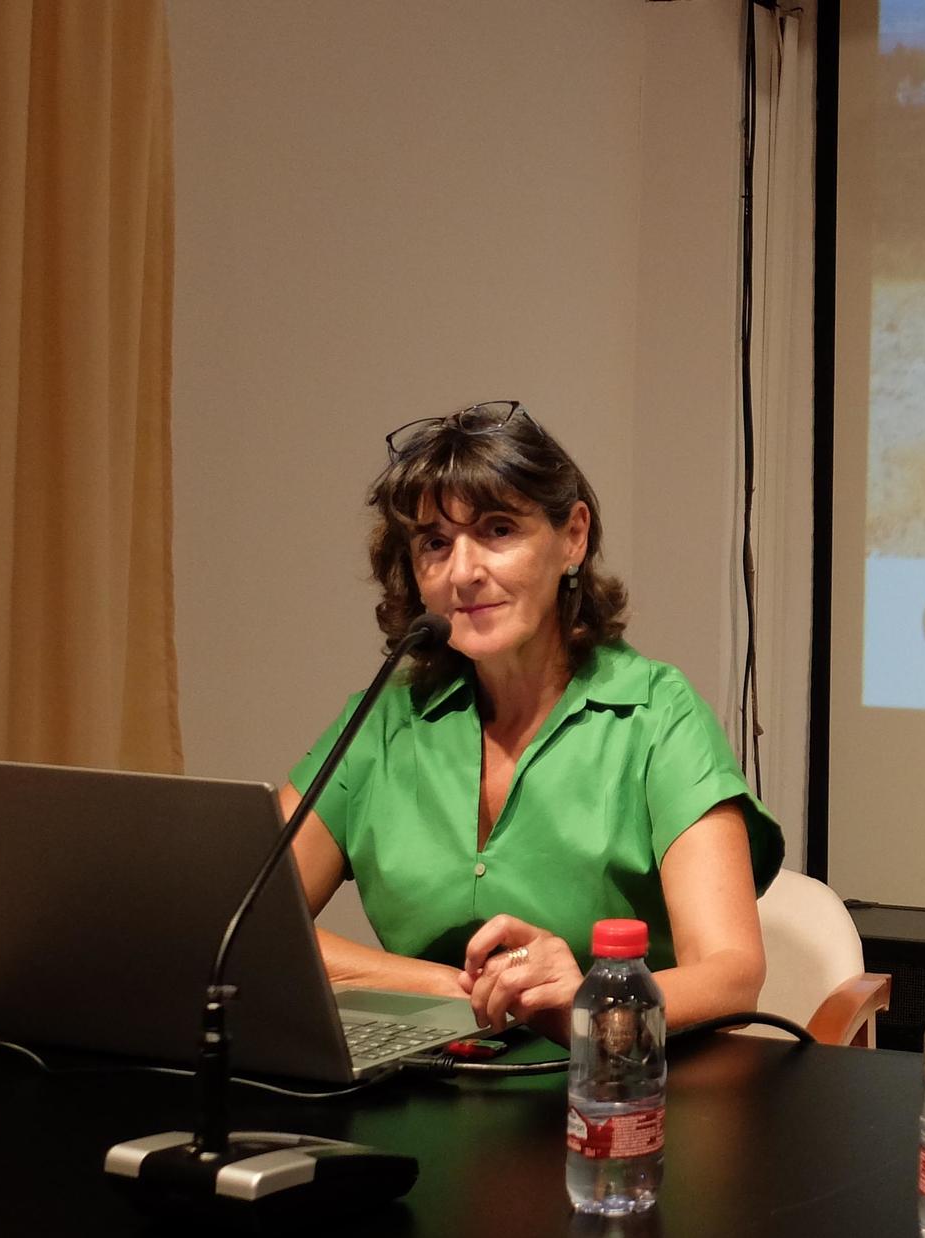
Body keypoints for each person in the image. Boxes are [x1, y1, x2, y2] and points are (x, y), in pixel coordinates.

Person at [281, 399, 780, 1041]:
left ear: (573, 537)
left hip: (613, 1088)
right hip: (429, 1081)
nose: (463, 572)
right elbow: (246, 924)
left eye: (497, 530)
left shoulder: (657, 714)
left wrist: (590, 999)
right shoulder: (383, 718)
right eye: (435, 543)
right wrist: (455, 989)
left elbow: (733, 973)